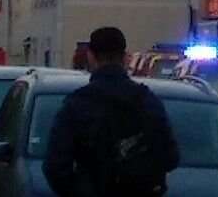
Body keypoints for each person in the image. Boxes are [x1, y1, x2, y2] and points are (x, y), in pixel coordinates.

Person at [43, 26, 179, 197]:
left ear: (91, 56)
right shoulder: (147, 101)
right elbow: (171, 157)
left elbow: (55, 166)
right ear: (124, 57)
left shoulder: (78, 104)